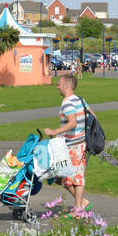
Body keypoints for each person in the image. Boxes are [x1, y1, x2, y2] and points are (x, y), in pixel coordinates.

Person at [43, 73, 89, 213]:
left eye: (59, 84)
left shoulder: (67, 102)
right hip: (78, 143)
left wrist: (54, 131)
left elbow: (72, 123)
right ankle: (81, 203)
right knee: (67, 177)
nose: (57, 87)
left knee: (72, 178)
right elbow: (92, 114)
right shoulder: (80, 100)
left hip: (74, 145)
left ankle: (78, 208)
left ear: (67, 86)